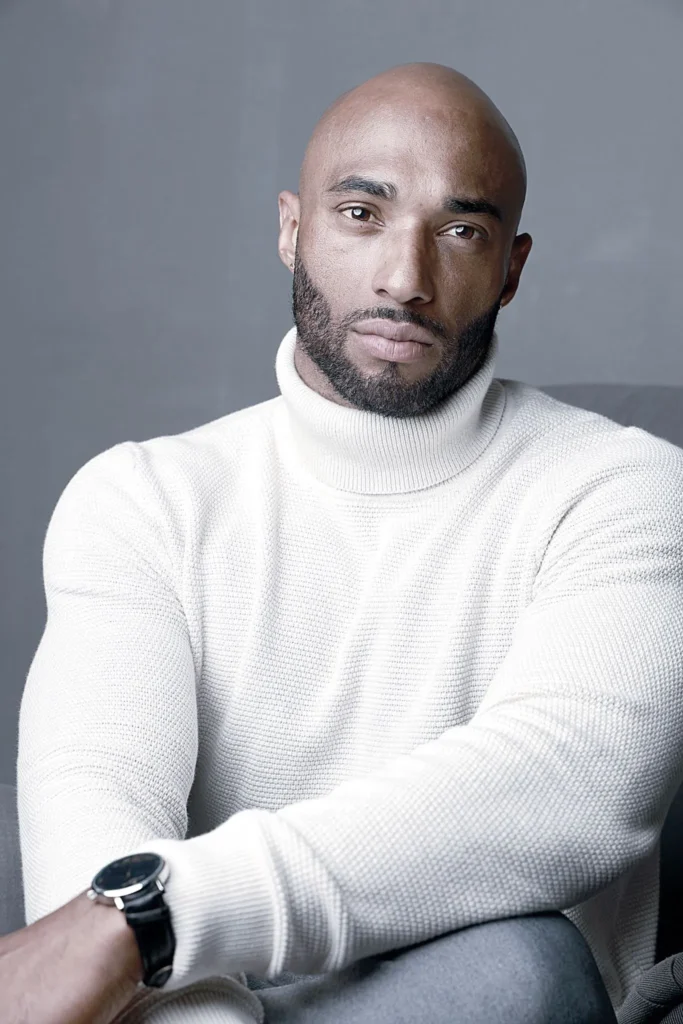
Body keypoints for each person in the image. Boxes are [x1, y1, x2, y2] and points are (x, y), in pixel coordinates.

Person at [9, 60, 683, 1024]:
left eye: (460, 231)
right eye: (361, 214)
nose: (403, 280)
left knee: (514, 963)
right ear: (292, 229)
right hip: (208, 1009)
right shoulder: (143, 499)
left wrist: (156, 918)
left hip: (487, 1009)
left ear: (511, 269)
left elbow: (574, 781)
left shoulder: (622, 487)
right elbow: (90, 841)